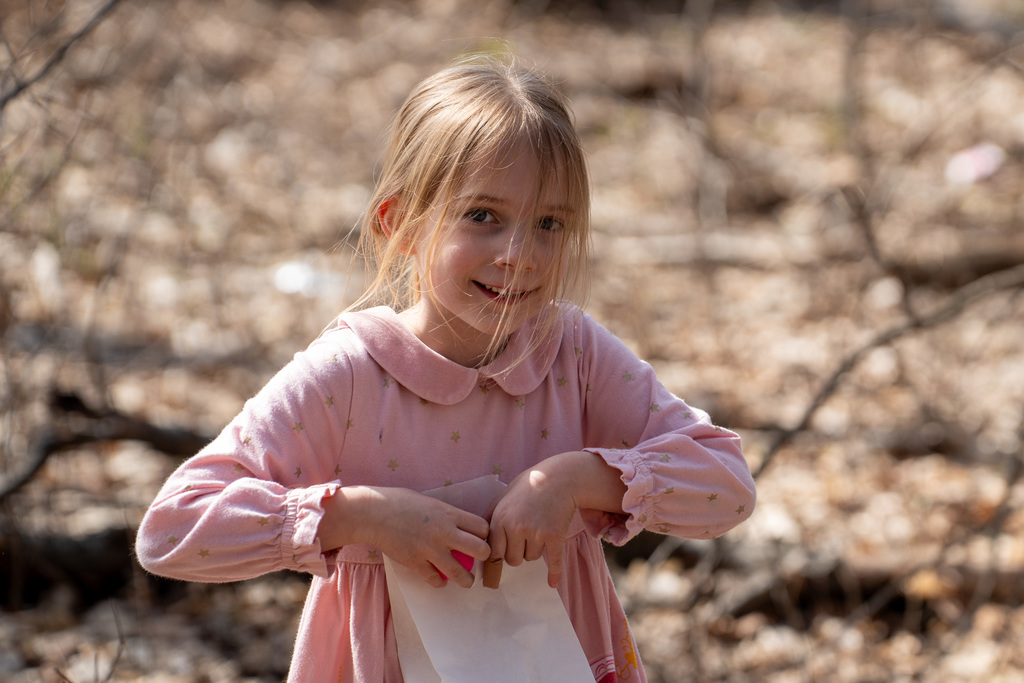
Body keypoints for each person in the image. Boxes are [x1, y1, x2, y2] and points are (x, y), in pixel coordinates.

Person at [136, 55, 756, 683]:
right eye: (482, 215)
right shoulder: (350, 377)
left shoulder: (572, 355)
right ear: (398, 223)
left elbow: (727, 485)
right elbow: (171, 531)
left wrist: (575, 480)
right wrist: (360, 517)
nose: (518, 255)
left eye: (548, 223)